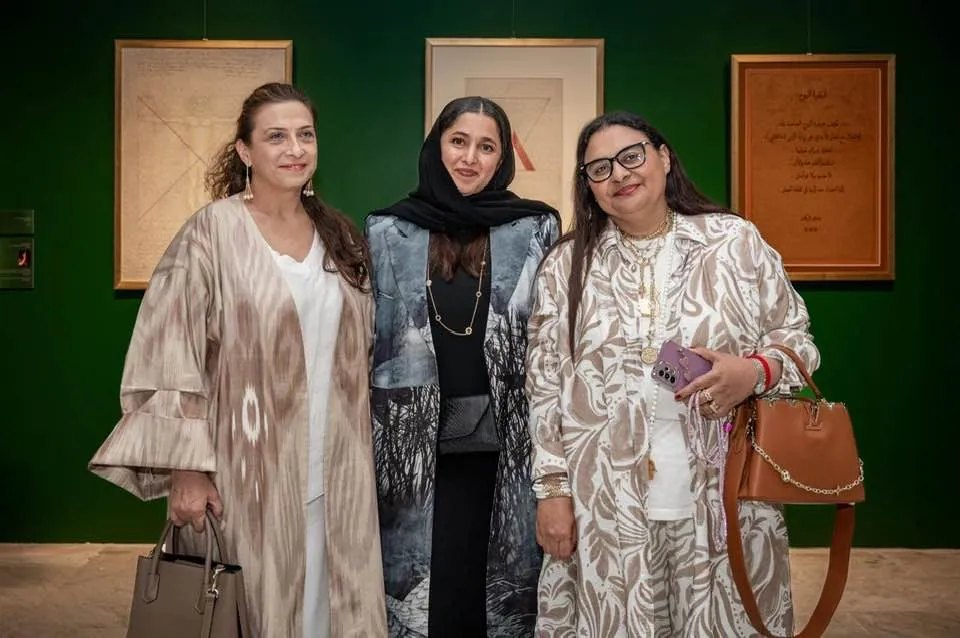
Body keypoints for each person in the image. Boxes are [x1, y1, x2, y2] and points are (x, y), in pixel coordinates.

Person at [88, 82, 387, 638]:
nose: (295, 148)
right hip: (246, 477)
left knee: (331, 612)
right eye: (277, 137)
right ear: (245, 151)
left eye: (305, 135)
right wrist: (187, 470)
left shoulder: (339, 236)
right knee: (248, 611)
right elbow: (170, 350)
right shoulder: (212, 233)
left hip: (337, 471)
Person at [525, 111, 820, 637]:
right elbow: (545, 385)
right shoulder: (566, 266)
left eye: (631, 156)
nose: (618, 174)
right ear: (588, 186)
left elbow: (796, 338)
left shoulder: (733, 242)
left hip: (720, 491)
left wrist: (754, 371)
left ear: (663, 157)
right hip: (605, 502)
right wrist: (552, 491)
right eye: (599, 168)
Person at [365, 96, 560, 637]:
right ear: (436, 147)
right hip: (412, 458)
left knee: (497, 602)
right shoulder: (387, 231)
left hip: (508, 454)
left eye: (486, 146)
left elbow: (552, 342)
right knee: (427, 603)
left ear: (503, 158)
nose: (470, 157)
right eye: (458, 141)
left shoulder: (535, 228)